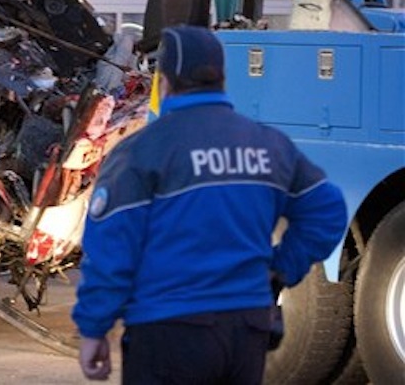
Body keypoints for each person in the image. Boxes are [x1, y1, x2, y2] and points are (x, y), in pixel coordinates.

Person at [72, 25, 348, 384]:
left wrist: (94, 328)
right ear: (221, 78)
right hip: (246, 329)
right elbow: (328, 211)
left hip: (168, 330)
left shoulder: (142, 151)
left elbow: (111, 251)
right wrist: (281, 268)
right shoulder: (268, 144)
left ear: (165, 81)